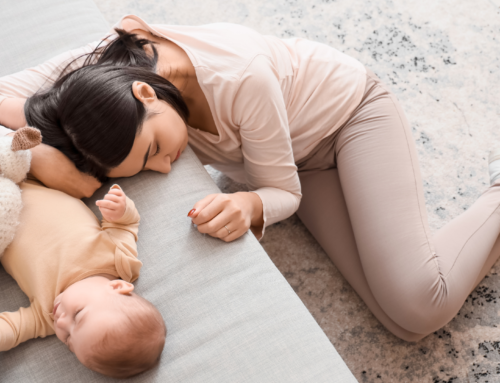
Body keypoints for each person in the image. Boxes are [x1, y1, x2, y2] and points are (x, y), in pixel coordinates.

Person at [1, 15, 499, 343]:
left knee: (421, 304)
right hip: (296, 158)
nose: (164, 167)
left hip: (349, 119)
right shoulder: (104, 79)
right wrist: (42, 155)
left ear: (145, 95)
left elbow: (282, 192)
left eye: (153, 151)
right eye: (147, 168)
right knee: (405, 324)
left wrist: (252, 205)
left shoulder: (242, 79)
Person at [0, 166, 166, 379]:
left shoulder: (45, 316)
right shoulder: (121, 261)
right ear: (117, 287)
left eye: (68, 340)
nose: (61, 323)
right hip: (29, 177)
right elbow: (127, 225)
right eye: (78, 316)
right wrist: (121, 209)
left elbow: (13, 329)